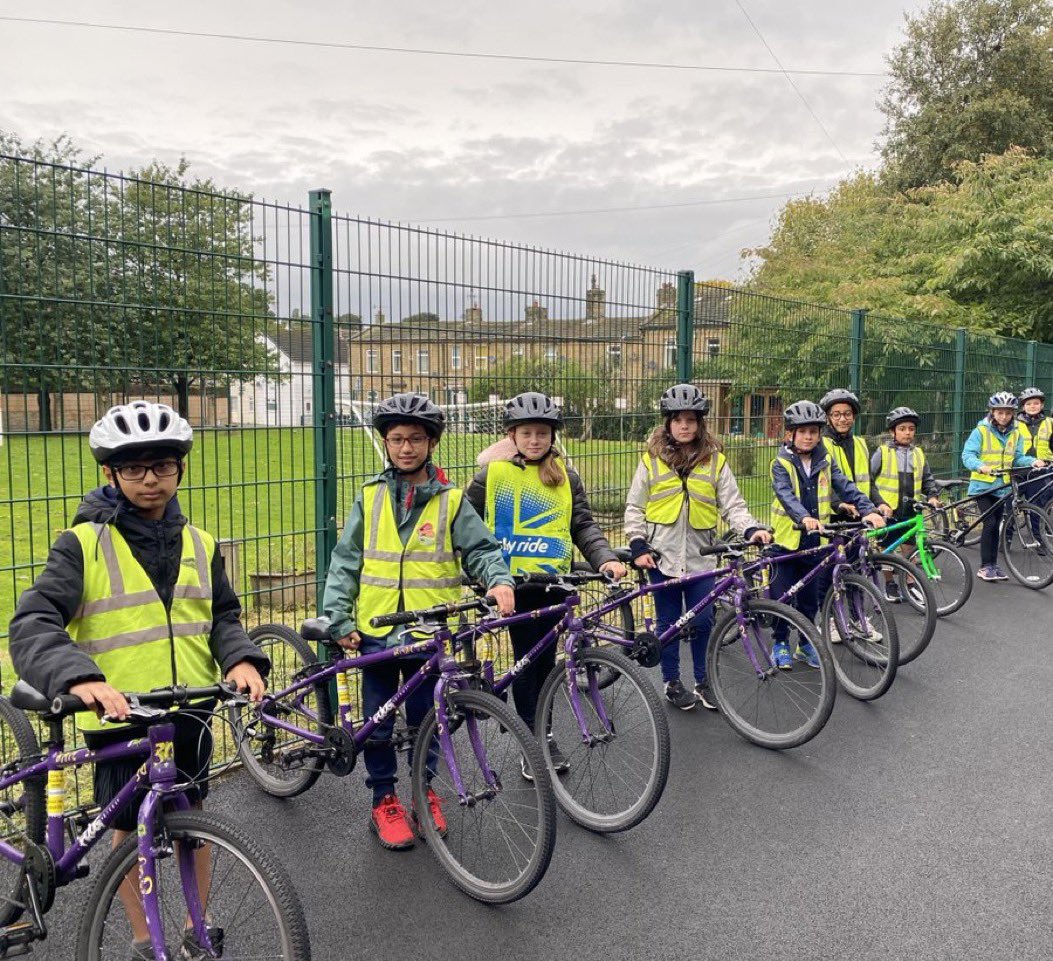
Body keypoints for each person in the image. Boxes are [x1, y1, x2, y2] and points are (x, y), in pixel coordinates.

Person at [8, 400, 269, 961]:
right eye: (132, 469)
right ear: (110, 473)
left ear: (180, 467)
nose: (149, 480)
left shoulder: (201, 542)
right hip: (121, 713)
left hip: (191, 707)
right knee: (130, 830)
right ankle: (146, 939)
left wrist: (240, 659)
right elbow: (32, 622)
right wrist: (80, 678)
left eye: (162, 466)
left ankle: (199, 930)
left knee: (190, 821)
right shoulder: (81, 544)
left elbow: (222, 616)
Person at [322, 392, 515, 851]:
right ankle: (383, 798)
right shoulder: (369, 497)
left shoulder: (450, 500)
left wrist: (499, 580)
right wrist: (339, 614)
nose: (405, 447)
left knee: (430, 717)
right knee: (381, 720)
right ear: (385, 444)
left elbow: (483, 549)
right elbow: (346, 560)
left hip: (430, 632)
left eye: (415, 439)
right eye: (396, 439)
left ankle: (422, 789)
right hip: (378, 630)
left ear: (431, 443)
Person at [466, 392, 626, 775]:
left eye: (542, 433)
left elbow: (582, 525)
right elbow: (466, 525)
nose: (535, 440)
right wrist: (478, 572)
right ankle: (536, 741)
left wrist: (604, 558)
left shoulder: (565, 479)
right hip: (513, 588)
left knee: (545, 663)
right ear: (512, 436)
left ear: (552, 437)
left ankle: (541, 732)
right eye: (527, 433)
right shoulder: (493, 475)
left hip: (554, 586)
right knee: (528, 662)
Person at [624, 384, 771, 711]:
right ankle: (672, 681)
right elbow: (634, 507)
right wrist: (637, 544)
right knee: (669, 624)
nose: (685, 426)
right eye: (678, 420)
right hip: (660, 558)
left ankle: (705, 682)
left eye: (691, 420)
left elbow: (733, 505)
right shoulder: (651, 462)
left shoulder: (715, 462)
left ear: (700, 424)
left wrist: (750, 527)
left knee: (703, 622)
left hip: (702, 558)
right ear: (668, 424)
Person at [769, 401, 885, 669]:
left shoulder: (824, 460)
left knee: (809, 600)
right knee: (782, 597)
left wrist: (868, 509)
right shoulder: (781, 464)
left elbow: (846, 486)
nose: (809, 436)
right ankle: (780, 642)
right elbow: (785, 495)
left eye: (813, 431)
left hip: (815, 541)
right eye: (802, 431)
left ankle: (805, 644)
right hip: (786, 541)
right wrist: (803, 517)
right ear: (790, 434)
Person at [962, 392, 1046, 582]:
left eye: (1008, 413)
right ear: (992, 412)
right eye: (1000, 413)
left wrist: (1033, 461)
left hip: (1002, 487)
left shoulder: (1015, 433)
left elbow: (1017, 458)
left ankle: (993, 565)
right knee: (990, 524)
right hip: (983, 486)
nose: (1004, 417)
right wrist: (980, 466)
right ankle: (985, 566)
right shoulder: (981, 431)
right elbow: (968, 455)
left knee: (996, 525)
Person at [870, 407, 942, 600]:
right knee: (889, 549)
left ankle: (909, 583)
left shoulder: (918, 453)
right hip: (889, 510)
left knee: (910, 548)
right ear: (893, 431)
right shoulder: (882, 452)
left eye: (911, 429)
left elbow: (927, 478)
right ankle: (889, 584)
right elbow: (868, 480)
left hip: (911, 508)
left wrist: (932, 496)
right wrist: (879, 503)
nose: (907, 432)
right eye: (902, 428)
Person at [1015, 387, 1053, 517]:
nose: (1032, 406)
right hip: (1019, 468)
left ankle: (1039, 534)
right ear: (1023, 406)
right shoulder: (1014, 424)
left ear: (1042, 405)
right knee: (1011, 504)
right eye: (1028, 404)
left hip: (1042, 469)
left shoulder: (1050, 422)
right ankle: (1006, 534)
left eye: (1036, 403)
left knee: (1037, 504)